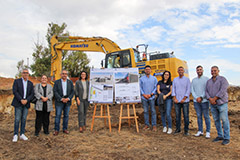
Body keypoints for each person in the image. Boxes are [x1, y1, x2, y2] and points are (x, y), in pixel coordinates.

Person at [206, 66, 230, 145]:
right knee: (216, 120)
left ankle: (227, 138)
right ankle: (220, 135)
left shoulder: (223, 79)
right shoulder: (209, 81)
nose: (213, 72)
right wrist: (210, 99)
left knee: (224, 120)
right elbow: (206, 91)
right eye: (212, 71)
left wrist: (214, 98)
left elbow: (223, 90)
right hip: (212, 104)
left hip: (221, 103)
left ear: (218, 71)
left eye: (215, 70)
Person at [11, 69, 34, 142]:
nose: (25, 74)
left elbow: (32, 94)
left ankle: (22, 134)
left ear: (28, 74)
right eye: (24, 73)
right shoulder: (17, 81)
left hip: (26, 103)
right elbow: (15, 91)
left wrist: (27, 100)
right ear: (22, 74)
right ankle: (15, 134)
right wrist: (21, 99)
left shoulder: (30, 83)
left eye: (27, 73)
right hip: (18, 103)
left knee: (24, 119)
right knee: (17, 119)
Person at [191, 65, 211, 138]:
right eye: (198, 70)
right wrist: (196, 97)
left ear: (202, 70)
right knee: (199, 116)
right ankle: (200, 131)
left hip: (204, 101)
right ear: (196, 71)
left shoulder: (206, 79)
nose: (199, 71)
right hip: (196, 101)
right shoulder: (194, 80)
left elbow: (207, 89)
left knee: (206, 116)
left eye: (200, 70)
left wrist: (201, 97)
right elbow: (192, 90)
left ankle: (208, 132)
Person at [53, 70, 74, 135]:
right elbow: (55, 91)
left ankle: (65, 129)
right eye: (63, 74)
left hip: (67, 101)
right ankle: (56, 130)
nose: (64, 75)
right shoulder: (56, 82)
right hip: (59, 101)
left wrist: (68, 98)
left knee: (66, 116)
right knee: (58, 115)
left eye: (65, 74)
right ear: (60, 74)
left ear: (67, 75)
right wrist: (61, 99)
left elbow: (72, 92)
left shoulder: (70, 82)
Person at [172, 66, 191, 136]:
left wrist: (184, 98)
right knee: (177, 116)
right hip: (177, 101)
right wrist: (174, 98)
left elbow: (188, 90)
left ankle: (186, 130)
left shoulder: (187, 80)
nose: (180, 71)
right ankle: (178, 129)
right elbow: (173, 89)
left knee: (186, 116)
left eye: (181, 70)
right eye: (179, 70)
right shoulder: (175, 80)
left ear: (183, 71)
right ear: (177, 71)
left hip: (185, 101)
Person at [140, 65, 158, 131]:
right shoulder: (141, 79)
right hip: (144, 98)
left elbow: (156, 87)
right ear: (145, 70)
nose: (147, 70)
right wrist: (143, 94)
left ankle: (154, 125)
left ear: (150, 70)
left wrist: (151, 94)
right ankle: (146, 125)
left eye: (149, 69)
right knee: (145, 111)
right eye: (146, 69)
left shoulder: (154, 78)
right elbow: (140, 87)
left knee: (153, 111)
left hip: (152, 97)